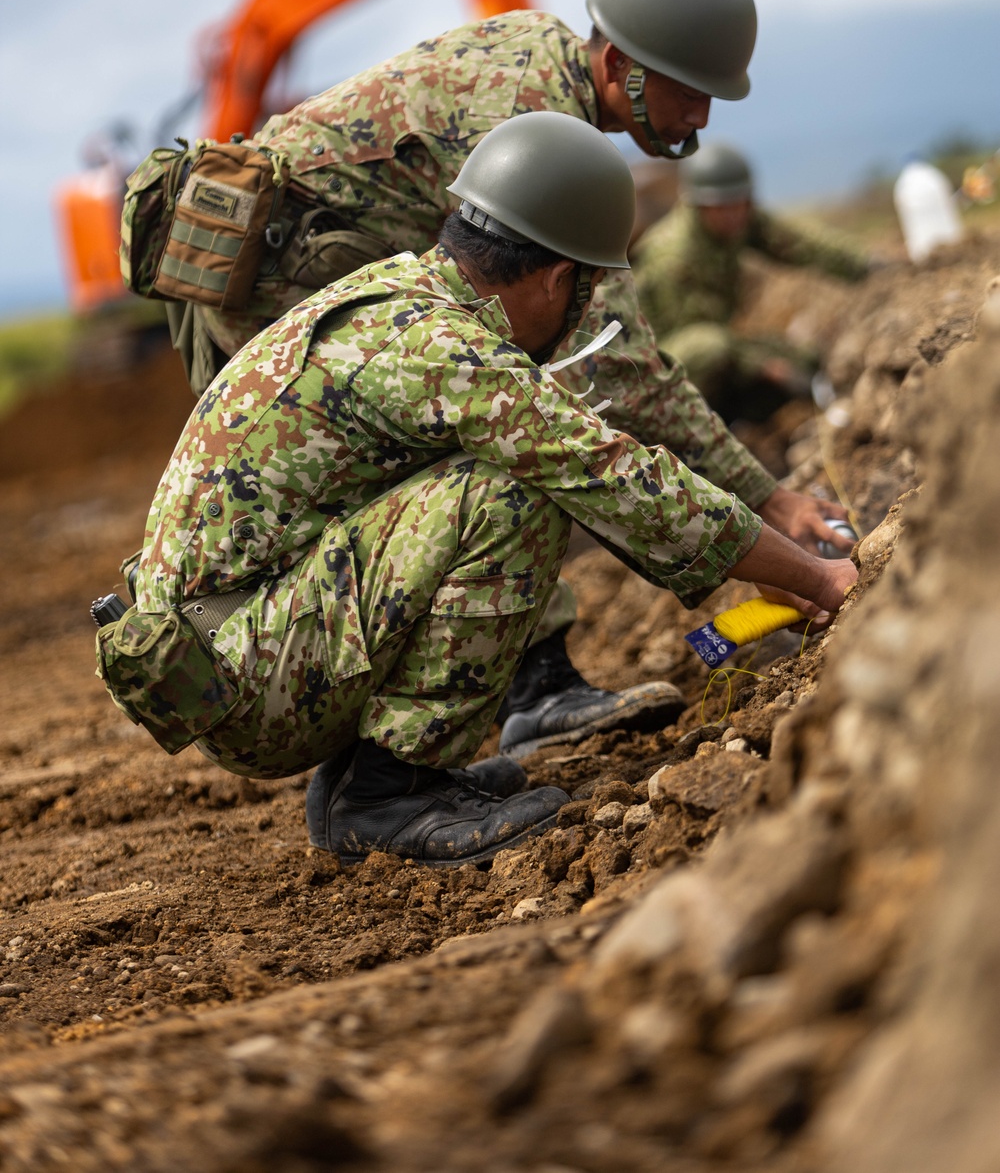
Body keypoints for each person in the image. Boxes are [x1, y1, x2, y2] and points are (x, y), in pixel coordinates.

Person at [152, 0, 850, 757]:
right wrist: (768, 508)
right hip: (270, 297)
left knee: (512, 444)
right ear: (621, 63)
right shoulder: (529, 115)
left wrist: (758, 505)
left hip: (324, 305)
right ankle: (449, 729)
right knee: (513, 460)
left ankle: (441, 711)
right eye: (690, 93)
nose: (699, 120)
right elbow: (616, 368)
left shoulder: (545, 67)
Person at [103, 115, 856, 867]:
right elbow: (613, 477)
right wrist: (818, 578)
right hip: (246, 683)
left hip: (231, 649)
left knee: (473, 481)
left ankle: (365, 778)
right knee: (510, 493)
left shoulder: (399, 294)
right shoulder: (443, 347)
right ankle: (388, 792)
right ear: (560, 278)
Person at [632, 141, 871, 421]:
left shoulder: (737, 220)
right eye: (721, 207)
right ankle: (698, 428)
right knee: (716, 350)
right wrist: (767, 366)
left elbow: (800, 245)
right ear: (698, 206)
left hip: (718, 341)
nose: (734, 214)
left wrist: (864, 265)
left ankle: (738, 417)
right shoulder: (673, 258)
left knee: (803, 359)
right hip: (658, 365)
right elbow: (700, 339)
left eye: (741, 203)